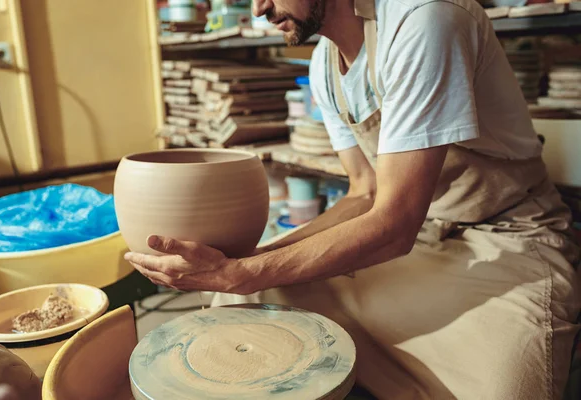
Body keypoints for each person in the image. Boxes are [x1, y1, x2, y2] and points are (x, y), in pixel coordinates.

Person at [125, 0, 581, 398]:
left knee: (505, 387)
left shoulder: (424, 20)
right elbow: (365, 193)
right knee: (249, 302)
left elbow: (395, 222)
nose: (259, 10)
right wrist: (254, 260)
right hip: (421, 236)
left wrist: (241, 272)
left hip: (508, 237)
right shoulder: (324, 64)